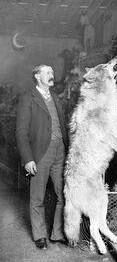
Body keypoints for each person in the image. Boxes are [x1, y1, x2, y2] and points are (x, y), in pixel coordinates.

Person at [16, 64, 68, 250]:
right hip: (40, 152)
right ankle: (40, 235)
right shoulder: (27, 98)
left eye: (52, 72)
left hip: (60, 150)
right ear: (37, 76)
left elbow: (63, 125)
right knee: (37, 197)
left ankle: (58, 233)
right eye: (47, 72)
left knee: (63, 193)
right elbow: (21, 132)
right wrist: (28, 158)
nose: (52, 75)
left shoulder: (56, 98)